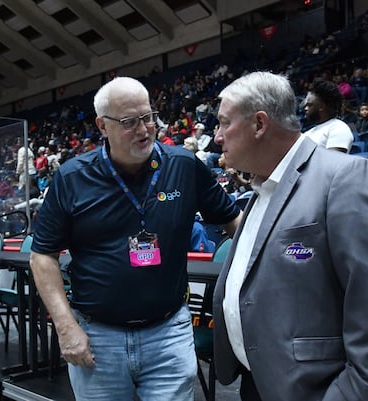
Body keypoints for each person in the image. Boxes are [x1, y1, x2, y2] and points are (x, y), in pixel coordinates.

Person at [29, 76, 242, 401]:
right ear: (102, 126)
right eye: (129, 122)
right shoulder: (71, 178)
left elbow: (234, 221)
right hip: (97, 338)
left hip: (168, 333)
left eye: (148, 117)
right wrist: (65, 326)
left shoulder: (184, 166)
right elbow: (42, 255)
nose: (143, 130)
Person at [212, 71, 368, 401]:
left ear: (259, 125)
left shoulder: (345, 178)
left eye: (223, 123)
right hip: (259, 382)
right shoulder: (259, 190)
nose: (216, 137)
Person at [303, 79, 354, 153]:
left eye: (309, 105)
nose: (305, 108)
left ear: (321, 107)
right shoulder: (308, 133)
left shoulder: (338, 127)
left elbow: (333, 161)